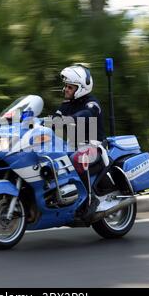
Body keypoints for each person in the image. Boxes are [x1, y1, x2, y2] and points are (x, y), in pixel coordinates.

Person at [54, 64, 106, 220]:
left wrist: (70, 119)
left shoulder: (91, 102)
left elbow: (88, 112)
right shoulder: (66, 105)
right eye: (66, 86)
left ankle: (91, 200)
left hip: (94, 146)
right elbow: (54, 119)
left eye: (70, 87)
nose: (66, 89)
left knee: (77, 158)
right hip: (72, 147)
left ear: (81, 88)